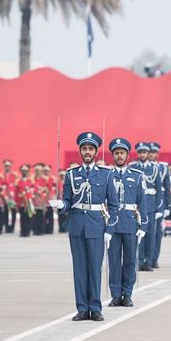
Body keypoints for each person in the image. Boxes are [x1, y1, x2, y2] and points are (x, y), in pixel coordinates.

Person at [49, 132, 120, 321]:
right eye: (84, 149)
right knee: (80, 269)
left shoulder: (106, 174)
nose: (87, 152)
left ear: (96, 152)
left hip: (97, 225)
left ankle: (95, 308)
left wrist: (110, 229)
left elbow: (114, 205)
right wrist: (61, 205)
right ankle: (82, 308)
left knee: (95, 268)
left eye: (90, 149)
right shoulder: (72, 174)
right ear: (80, 151)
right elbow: (67, 200)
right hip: (77, 226)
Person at [107, 138, 147, 307]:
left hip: (130, 223)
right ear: (113, 155)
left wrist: (143, 225)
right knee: (114, 261)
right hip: (112, 224)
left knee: (130, 260)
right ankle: (116, 295)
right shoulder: (107, 174)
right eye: (116, 153)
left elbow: (142, 202)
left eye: (122, 153)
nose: (119, 156)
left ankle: (128, 294)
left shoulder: (136, 176)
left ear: (127, 155)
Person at [130, 143, 161, 271]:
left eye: (144, 152)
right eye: (140, 152)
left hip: (151, 206)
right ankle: (139, 260)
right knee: (139, 234)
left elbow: (159, 189)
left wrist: (159, 208)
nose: (142, 154)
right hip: (137, 207)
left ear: (148, 153)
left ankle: (148, 261)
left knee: (150, 235)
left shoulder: (155, 168)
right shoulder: (132, 167)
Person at [148, 142, 171, 268]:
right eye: (150, 152)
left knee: (157, 232)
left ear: (157, 154)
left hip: (159, 203)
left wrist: (168, 206)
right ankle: (145, 258)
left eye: (154, 152)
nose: (151, 155)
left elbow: (167, 188)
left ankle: (154, 259)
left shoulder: (163, 167)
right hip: (147, 202)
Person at [15, 164, 35, 237]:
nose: (24, 172)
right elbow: (16, 192)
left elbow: (33, 190)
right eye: (23, 170)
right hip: (21, 202)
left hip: (29, 202)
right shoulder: (17, 180)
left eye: (25, 170)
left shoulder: (31, 180)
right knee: (22, 217)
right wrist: (17, 200)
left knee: (28, 217)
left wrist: (28, 195)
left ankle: (27, 231)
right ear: (21, 171)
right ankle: (22, 231)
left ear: (28, 171)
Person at [3, 160, 17, 233]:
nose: (7, 167)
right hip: (4, 196)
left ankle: (12, 227)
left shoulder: (15, 175)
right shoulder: (2, 175)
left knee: (13, 212)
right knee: (5, 212)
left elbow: (16, 185)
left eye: (8, 166)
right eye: (6, 166)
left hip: (12, 197)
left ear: (10, 166)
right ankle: (6, 227)